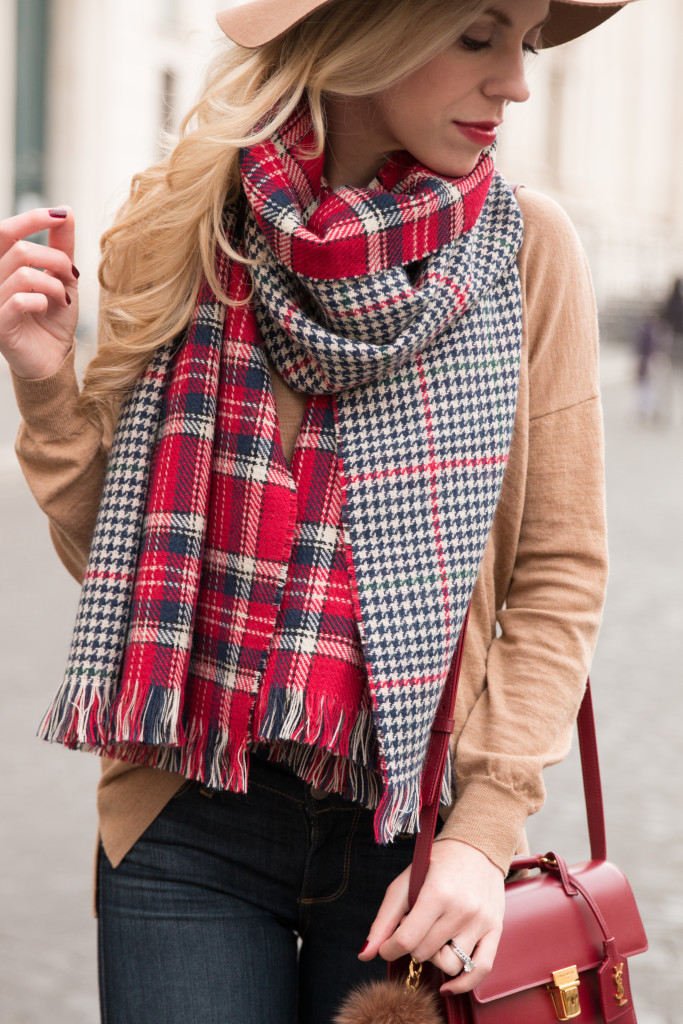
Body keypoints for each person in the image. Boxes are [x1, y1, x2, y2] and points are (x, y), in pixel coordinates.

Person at [0, 1, 635, 1021]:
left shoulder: (524, 250)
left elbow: (557, 570)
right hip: (186, 809)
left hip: (411, 838)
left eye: (521, 41)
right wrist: (44, 385)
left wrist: (481, 833)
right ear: (365, 33)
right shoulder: (183, 225)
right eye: (478, 36)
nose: (514, 81)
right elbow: (118, 563)